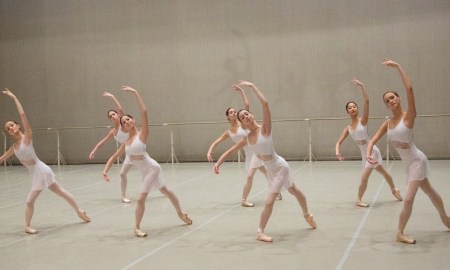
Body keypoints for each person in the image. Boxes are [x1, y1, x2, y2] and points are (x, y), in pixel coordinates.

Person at [214, 81, 316, 242]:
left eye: (246, 114)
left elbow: (265, 104)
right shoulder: (247, 138)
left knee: (270, 201)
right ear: (242, 123)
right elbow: (230, 151)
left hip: (280, 167)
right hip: (272, 171)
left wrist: (252, 86)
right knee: (294, 190)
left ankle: (260, 232)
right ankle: (307, 214)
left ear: (251, 115)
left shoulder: (265, 129)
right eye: (242, 117)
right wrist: (217, 163)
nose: (245, 116)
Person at [367, 59, 450, 244]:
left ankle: (399, 232)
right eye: (387, 100)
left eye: (393, 97)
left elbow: (410, 89)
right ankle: (446, 219)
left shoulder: (409, 116)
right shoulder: (388, 123)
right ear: (387, 105)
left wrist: (398, 67)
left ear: (399, 99)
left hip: (417, 161)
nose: (391, 101)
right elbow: (372, 140)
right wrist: (368, 153)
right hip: (408, 164)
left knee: (408, 199)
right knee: (429, 191)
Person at [102, 86, 192, 237]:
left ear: (133, 120)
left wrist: (135, 92)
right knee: (166, 191)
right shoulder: (127, 142)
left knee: (140, 198)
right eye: (124, 122)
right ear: (122, 127)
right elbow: (114, 156)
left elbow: (144, 112)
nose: (127, 121)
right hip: (146, 172)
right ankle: (181, 213)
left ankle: (137, 228)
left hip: (152, 168)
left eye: (128, 119)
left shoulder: (142, 134)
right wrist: (105, 170)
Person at [0, 88, 91, 234]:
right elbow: (2, 158)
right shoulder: (14, 147)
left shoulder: (27, 137)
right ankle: (79, 211)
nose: (10, 128)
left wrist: (14, 97)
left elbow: (22, 115)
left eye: (12, 125)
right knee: (60, 192)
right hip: (36, 173)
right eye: (7, 128)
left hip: (40, 170)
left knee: (30, 200)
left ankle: (27, 226)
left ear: (18, 126)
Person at [207, 84, 281, 207]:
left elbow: (246, 106)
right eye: (231, 112)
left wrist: (242, 91)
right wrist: (210, 153)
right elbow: (218, 143)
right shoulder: (229, 132)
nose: (234, 113)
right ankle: (245, 199)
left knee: (266, 173)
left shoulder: (243, 124)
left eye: (235, 112)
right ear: (227, 117)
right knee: (254, 175)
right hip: (249, 154)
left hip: (256, 150)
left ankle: (273, 191)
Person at [336, 79, 402, 207]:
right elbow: (339, 142)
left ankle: (358, 199)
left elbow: (367, 101)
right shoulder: (348, 128)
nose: (352, 108)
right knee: (383, 172)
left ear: (357, 109)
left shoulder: (363, 120)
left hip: (372, 152)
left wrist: (362, 87)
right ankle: (394, 190)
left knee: (364, 178)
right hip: (364, 154)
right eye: (349, 108)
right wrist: (337, 152)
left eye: (354, 106)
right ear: (347, 111)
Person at [89, 92, 132, 203]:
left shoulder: (124, 122)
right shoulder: (113, 132)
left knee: (154, 169)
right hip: (129, 151)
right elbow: (101, 143)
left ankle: (162, 186)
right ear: (110, 120)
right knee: (122, 173)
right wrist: (94, 151)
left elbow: (120, 108)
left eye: (114, 114)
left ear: (118, 115)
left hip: (138, 148)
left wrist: (113, 97)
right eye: (110, 116)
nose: (112, 116)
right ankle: (123, 196)